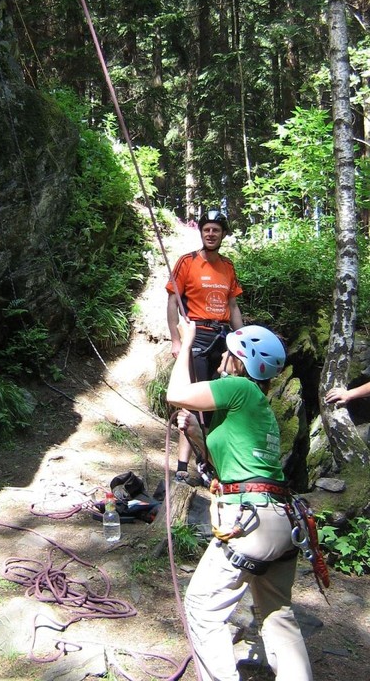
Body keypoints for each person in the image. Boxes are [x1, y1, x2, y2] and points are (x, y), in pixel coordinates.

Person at [166, 316, 313, 681]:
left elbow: (176, 394)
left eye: (227, 354)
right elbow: (227, 467)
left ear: (241, 361)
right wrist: (198, 438)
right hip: (280, 520)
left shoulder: (239, 389)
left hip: (252, 522)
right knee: (277, 614)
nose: (220, 361)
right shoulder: (258, 409)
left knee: (202, 608)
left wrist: (185, 342)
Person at [166, 210, 243, 483]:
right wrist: (177, 341)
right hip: (196, 335)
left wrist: (241, 339)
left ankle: (208, 462)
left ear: (223, 234)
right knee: (192, 400)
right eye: (207, 229)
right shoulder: (187, 262)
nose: (211, 234)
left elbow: (233, 306)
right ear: (201, 232)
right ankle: (182, 468)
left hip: (221, 338)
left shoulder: (228, 266)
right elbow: (174, 302)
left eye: (216, 230)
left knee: (216, 403)